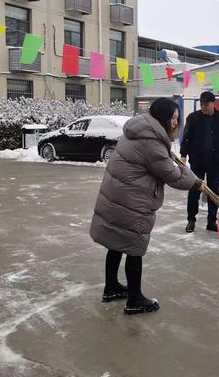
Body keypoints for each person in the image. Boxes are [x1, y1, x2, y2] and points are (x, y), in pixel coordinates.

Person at [90, 98, 203, 315]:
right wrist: (195, 182)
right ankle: (135, 299)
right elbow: (173, 177)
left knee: (115, 242)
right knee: (134, 247)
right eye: (175, 119)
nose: (176, 123)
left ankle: (111, 287)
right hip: (131, 201)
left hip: (118, 196)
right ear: (165, 119)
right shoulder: (151, 142)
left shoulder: (141, 131)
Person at [180, 91, 219, 233]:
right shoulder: (193, 118)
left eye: (206, 104)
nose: (203, 106)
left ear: (213, 103)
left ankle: (211, 221)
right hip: (197, 160)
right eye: (201, 104)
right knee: (194, 191)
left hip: (216, 161)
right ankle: (191, 220)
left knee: (213, 192)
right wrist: (183, 155)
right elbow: (187, 138)